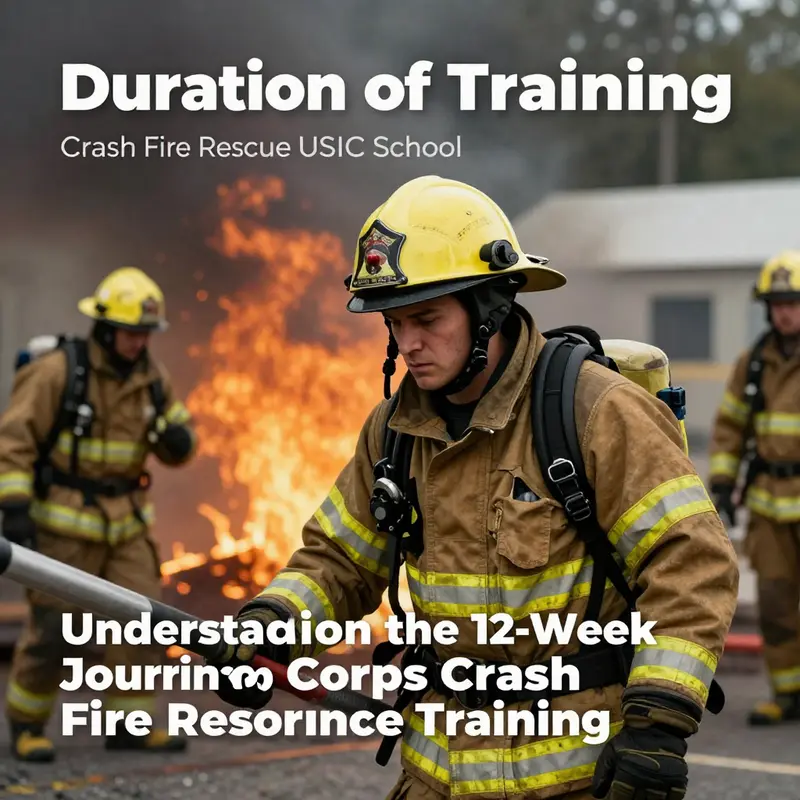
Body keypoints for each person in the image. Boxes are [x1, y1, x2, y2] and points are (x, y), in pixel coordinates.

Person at [210, 176, 739, 800]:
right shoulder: (395, 433)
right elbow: (340, 560)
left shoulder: (593, 412)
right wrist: (272, 623)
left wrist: (659, 725)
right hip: (437, 778)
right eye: (395, 322)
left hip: (570, 781)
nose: (408, 344)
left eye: (427, 318)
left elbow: (689, 562)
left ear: (489, 305)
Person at [0, 267, 197, 762]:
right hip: (65, 525)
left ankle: (129, 723)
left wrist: (181, 441)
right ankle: (26, 725)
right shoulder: (57, 372)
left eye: (146, 334)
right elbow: (13, 441)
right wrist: (14, 507)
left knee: (143, 621)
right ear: (106, 328)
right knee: (56, 629)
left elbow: (177, 438)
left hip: (127, 524)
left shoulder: (153, 379)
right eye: (132, 333)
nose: (139, 343)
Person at [709, 250, 800, 727]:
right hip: (768, 505)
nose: (785, 310)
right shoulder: (755, 364)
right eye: (777, 302)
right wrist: (722, 481)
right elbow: (729, 427)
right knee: (777, 606)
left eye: (793, 301)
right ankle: (787, 695)